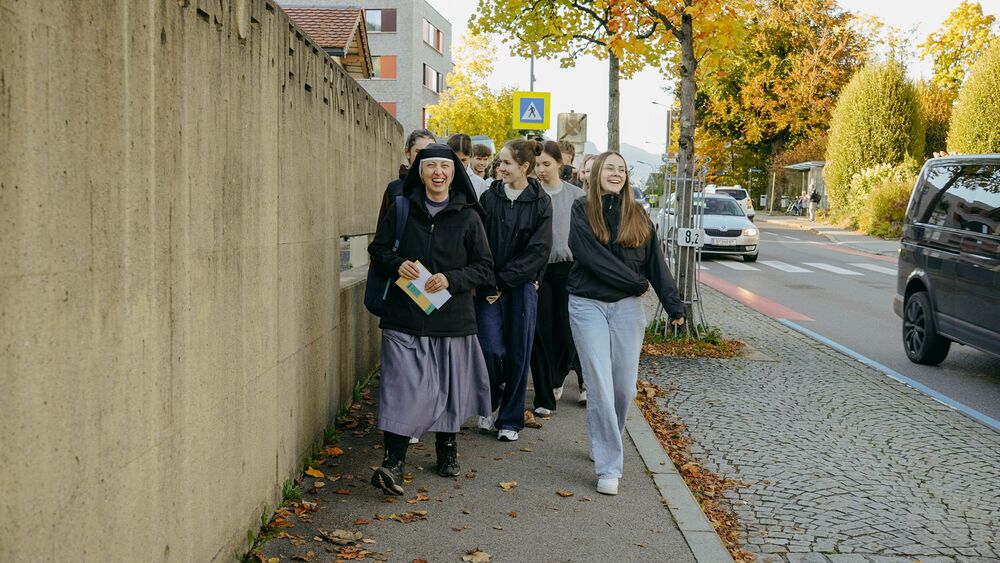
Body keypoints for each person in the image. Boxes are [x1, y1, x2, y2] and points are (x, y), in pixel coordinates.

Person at [367, 144, 495, 495]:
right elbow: (378, 249)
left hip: (451, 319)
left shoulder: (469, 216)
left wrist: (451, 279)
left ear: (454, 173)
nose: (438, 172)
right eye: (430, 166)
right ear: (419, 172)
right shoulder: (402, 208)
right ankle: (393, 462)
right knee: (401, 388)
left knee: (447, 387)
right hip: (404, 316)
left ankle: (446, 447)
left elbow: (484, 267)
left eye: (445, 166)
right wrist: (397, 265)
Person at [567, 151, 685, 496]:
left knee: (624, 389)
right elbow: (590, 257)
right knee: (600, 386)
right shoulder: (581, 209)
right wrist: (634, 283)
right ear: (596, 174)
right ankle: (609, 466)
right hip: (588, 304)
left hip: (627, 309)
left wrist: (673, 305)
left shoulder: (638, 213)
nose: (616, 174)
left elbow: (655, 262)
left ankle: (605, 440)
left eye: (621, 169)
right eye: (610, 168)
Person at [476, 140, 553, 442]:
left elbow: (539, 250)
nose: (500, 167)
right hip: (488, 286)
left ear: (524, 167)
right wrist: (487, 279)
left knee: (519, 353)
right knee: (489, 349)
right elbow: (478, 241)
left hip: (521, 287)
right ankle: (490, 400)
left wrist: (504, 279)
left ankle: (510, 419)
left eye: (506, 162)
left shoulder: (540, 202)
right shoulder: (489, 197)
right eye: (499, 162)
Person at [529, 141, 585, 416]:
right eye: (537, 164)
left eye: (546, 164)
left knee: (565, 331)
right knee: (541, 332)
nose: (541, 169)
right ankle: (544, 395)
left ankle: (558, 375)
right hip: (538, 270)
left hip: (568, 269)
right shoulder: (532, 194)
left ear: (560, 164)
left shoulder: (576, 195)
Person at [377, 129, 436, 226]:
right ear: (407, 153)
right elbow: (383, 230)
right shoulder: (394, 189)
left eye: (429, 151)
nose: (424, 156)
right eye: (418, 151)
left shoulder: (444, 188)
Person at [448, 133, 490, 198]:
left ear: (470, 157)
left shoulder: (480, 184)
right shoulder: (440, 180)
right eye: (455, 160)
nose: (460, 164)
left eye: (463, 160)